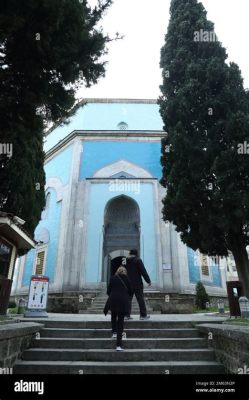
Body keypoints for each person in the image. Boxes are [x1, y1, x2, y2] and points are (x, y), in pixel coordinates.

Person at [104, 266, 132, 351]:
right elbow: (131, 291)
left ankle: (114, 332)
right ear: (125, 272)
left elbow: (108, 291)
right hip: (123, 302)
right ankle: (118, 345)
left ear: (117, 271)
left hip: (113, 300)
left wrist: (113, 295)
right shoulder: (127, 279)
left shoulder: (113, 278)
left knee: (113, 316)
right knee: (120, 323)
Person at [125, 249, 151, 320]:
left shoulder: (126, 261)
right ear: (136, 254)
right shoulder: (138, 260)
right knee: (140, 299)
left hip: (128, 284)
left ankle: (126, 315)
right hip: (137, 283)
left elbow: (123, 271)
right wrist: (148, 280)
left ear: (130, 253)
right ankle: (143, 315)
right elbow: (143, 271)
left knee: (128, 299)